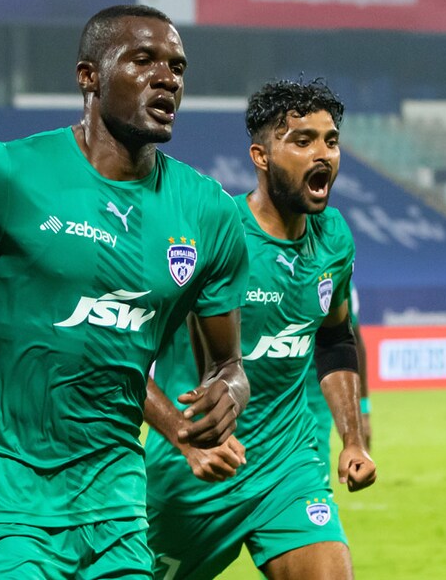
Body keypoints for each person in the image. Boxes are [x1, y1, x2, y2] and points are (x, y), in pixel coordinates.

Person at [0, 4, 251, 578]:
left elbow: (226, 366)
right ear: (88, 76)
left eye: (177, 66)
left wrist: (228, 394)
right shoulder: (7, 174)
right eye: (143, 60)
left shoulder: (208, 210)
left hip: (117, 510)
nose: (167, 77)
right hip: (3, 510)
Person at [144, 78, 378, 580]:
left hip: (289, 466)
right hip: (194, 474)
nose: (323, 154)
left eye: (331, 140)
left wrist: (353, 439)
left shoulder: (333, 237)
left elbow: (335, 339)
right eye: (302, 140)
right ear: (262, 155)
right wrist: (183, 437)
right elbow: (122, 352)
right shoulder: (211, 233)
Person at [306, 281, 371, 466]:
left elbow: (350, 339)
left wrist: (362, 411)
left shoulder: (333, 268)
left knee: (313, 481)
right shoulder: (247, 263)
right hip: (256, 408)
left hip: (314, 406)